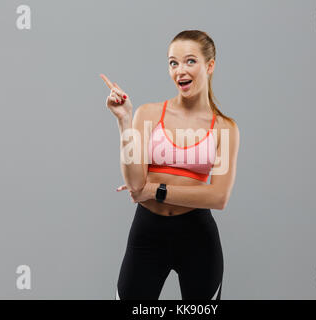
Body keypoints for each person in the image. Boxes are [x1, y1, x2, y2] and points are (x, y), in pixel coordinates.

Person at [100, 30, 240, 300]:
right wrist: (124, 121)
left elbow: (218, 197)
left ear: (209, 66)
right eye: (173, 63)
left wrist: (155, 190)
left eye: (190, 61)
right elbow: (135, 184)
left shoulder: (225, 128)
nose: (180, 70)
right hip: (147, 234)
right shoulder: (148, 114)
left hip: (198, 238)